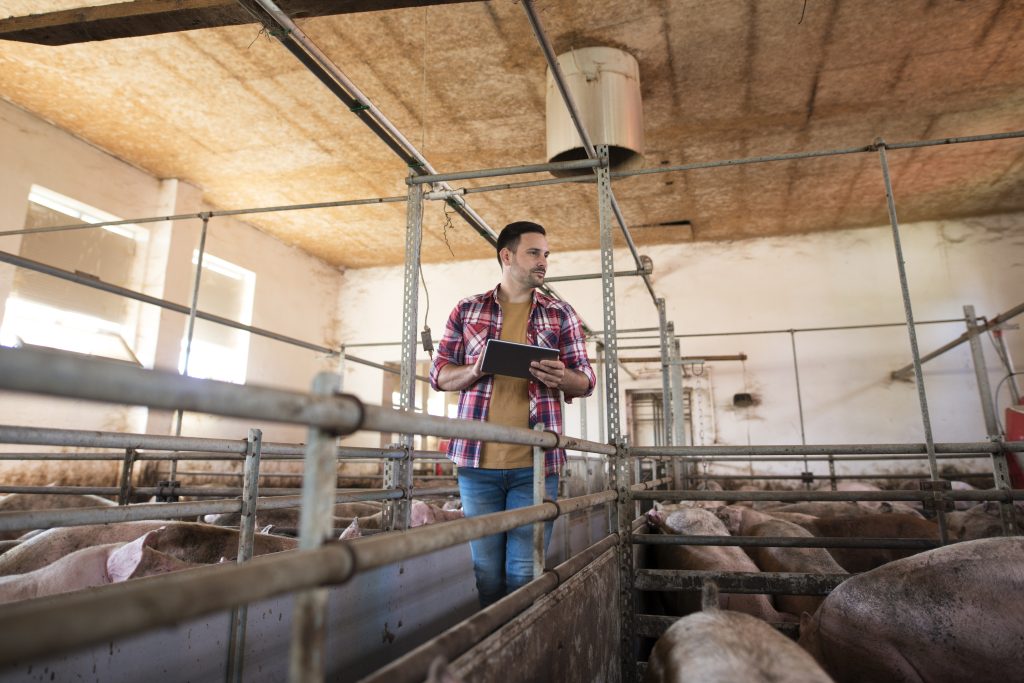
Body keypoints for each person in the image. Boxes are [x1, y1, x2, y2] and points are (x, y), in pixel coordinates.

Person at [429, 221, 596, 607]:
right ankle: (494, 654)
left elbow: (586, 380)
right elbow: (439, 374)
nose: (544, 262)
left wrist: (563, 376)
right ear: (507, 255)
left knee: (524, 574)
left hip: (535, 465)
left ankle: (519, 652)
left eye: (546, 255)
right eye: (534, 253)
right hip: (476, 463)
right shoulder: (467, 309)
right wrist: (474, 369)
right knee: (486, 574)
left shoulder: (561, 313)